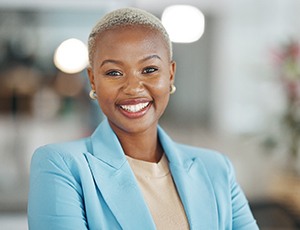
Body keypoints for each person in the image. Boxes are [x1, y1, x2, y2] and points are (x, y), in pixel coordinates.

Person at [27, 7, 259, 230]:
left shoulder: (216, 169)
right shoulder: (62, 165)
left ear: (170, 74)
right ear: (93, 80)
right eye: (114, 73)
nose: (133, 88)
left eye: (149, 70)